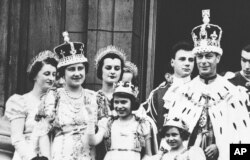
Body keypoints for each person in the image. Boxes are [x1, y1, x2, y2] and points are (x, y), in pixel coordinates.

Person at [165, 10, 250, 160]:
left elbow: (241, 137)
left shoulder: (233, 92)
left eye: (209, 56)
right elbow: (172, 134)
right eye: (199, 56)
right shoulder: (184, 92)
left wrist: (220, 146)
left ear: (218, 58)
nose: (203, 61)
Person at [36, 31, 97, 160]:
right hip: (61, 154)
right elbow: (43, 132)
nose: (77, 73)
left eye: (80, 68)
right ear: (63, 73)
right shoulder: (53, 97)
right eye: (71, 69)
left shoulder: (94, 97)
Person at [4, 50, 58, 160]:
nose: (51, 78)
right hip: (28, 154)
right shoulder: (21, 101)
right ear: (34, 76)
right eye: (46, 74)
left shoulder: (57, 102)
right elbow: (17, 138)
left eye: (54, 75)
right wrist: (32, 158)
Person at [140, 41, 194, 143]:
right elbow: (148, 124)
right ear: (172, 62)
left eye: (191, 60)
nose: (187, 63)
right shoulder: (159, 94)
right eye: (182, 59)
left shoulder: (199, 91)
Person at [87, 81, 152, 160]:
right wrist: (90, 119)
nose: (119, 106)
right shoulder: (108, 122)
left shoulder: (142, 124)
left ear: (133, 103)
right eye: (116, 102)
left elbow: (148, 155)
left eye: (124, 102)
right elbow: (92, 142)